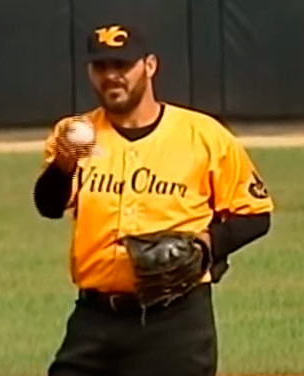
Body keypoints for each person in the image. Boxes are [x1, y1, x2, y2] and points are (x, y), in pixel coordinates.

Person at [34, 23, 273, 376]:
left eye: (122, 65)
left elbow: (255, 214)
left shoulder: (203, 135)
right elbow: (50, 207)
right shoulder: (75, 133)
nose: (112, 76)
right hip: (94, 320)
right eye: (101, 67)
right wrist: (64, 164)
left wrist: (208, 245)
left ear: (149, 66)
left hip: (174, 323)